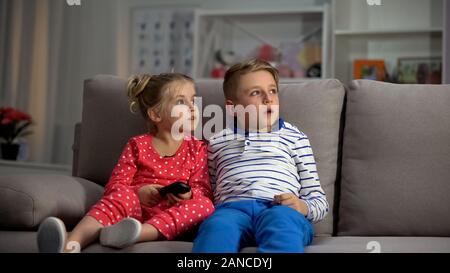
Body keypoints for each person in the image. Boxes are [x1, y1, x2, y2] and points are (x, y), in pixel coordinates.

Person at [37, 73, 214, 253]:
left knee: (205, 205)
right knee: (121, 197)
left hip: (171, 217)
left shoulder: (197, 148)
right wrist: (138, 192)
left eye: (193, 100)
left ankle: (136, 234)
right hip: (135, 211)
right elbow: (115, 186)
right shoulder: (138, 144)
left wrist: (189, 195)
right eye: (181, 102)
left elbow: (203, 190)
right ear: (155, 114)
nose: (193, 108)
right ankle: (70, 244)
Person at [192, 59, 329, 253]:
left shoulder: (295, 137)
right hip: (232, 210)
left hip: (280, 210)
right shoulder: (217, 141)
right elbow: (210, 193)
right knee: (218, 226)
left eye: (272, 90)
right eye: (256, 93)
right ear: (232, 108)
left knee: (281, 221)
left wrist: (301, 206)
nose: (268, 98)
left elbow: (319, 200)